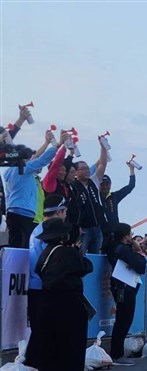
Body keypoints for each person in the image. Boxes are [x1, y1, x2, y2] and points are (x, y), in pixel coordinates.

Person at [29, 218, 93, 371]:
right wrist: (77, 251)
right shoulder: (67, 252)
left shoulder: (45, 253)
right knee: (71, 349)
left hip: (47, 303)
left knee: (50, 349)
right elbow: (86, 266)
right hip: (68, 305)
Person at [25, 195, 67, 369]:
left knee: (40, 331)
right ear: (59, 211)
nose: (65, 216)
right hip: (44, 286)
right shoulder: (48, 231)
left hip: (37, 286)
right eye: (65, 212)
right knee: (44, 332)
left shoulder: (39, 229)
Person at [4, 131, 65, 247]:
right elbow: (41, 160)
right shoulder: (23, 169)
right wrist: (58, 144)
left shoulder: (12, 170)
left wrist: (46, 142)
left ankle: (12, 265)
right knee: (24, 245)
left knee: (15, 243)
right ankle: (21, 265)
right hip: (24, 213)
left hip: (13, 212)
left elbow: (35, 158)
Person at [105, 223, 147, 366]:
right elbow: (141, 266)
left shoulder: (119, 248)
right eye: (130, 234)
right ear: (125, 235)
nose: (132, 236)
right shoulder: (121, 249)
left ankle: (117, 353)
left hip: (123, 287)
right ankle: (117, 354)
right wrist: (139, 252)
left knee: (123, 320)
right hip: (123, 288)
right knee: (123, 321)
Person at [72, 137, 109, 253]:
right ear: (76, 172)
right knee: (81, 254)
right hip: (83, 228)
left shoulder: (93, 181)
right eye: (83, 169)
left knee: (96, 255)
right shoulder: (73, 186)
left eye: (87, 168)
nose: (87, 171)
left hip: (97, 226)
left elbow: (103, 163)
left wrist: (103, 147)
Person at [99, 160, 137, 234]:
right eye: (102, 184)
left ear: (110, 184)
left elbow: (130, 186)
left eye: (107, 184)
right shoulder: (95, 196)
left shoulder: (114, 196)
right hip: (100, 231)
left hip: (114, 232)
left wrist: (131, 169)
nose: (105, 187)